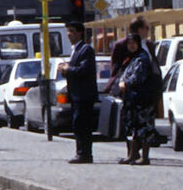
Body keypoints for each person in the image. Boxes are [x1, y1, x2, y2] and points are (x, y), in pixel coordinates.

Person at [110, 25, 160, 166]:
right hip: (132, 99)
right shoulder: (131, 59)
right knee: (134, 128)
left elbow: (138, 77)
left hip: (143, 99)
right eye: (129, 43)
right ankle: (132, 155)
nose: (131, 46)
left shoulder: (142, 58)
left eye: (134, 43)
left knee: (144, 128)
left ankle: (144, 157)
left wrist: (125, 84)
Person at [61, 21, 99, 164]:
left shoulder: (86, 49)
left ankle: (85, 154)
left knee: (82, 124)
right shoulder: (75, 50)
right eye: (68, 31)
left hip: (84, 95)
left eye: (72, 31)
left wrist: (67, 69)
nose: (69, 34)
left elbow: (84, 70)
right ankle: (81, 152)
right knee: (77, 124)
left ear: (80, 33)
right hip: (76, 94)